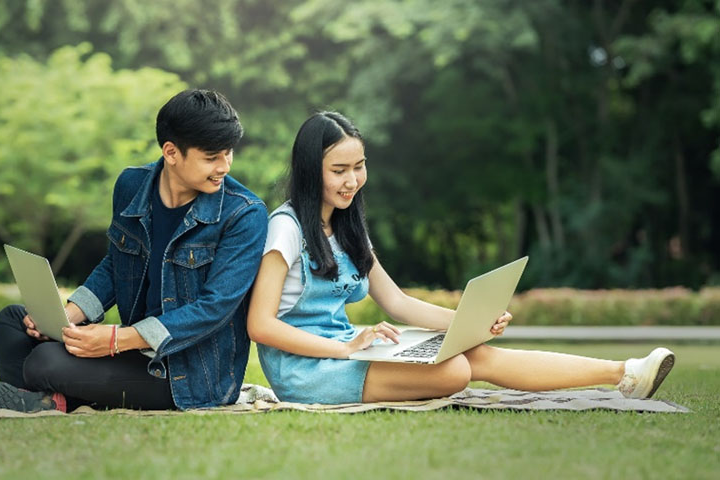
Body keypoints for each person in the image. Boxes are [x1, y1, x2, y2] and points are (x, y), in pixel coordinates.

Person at [247, 111, 675, 405]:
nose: (353, 180)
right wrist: (343, 349)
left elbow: (397, 302)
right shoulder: (286, 229)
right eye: (339, 170)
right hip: (306, 370)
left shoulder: (346, 227)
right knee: (455, 372)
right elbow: (260, 325)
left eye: (359, 166)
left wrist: (469, 323)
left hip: (348, 349)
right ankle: (623, 373)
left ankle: (625, 373)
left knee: (475, 353)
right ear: (311, 171)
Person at [0, 89, 268, 412]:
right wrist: (68, 316)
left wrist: (116, 340)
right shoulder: (131, 186)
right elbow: (115, 265)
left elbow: (213, 309)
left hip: (186, 372)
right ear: (171, 152)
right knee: (11, 322)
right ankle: (45, 399)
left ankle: (45, 394)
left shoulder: (244, 213)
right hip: (131, 350)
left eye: (228, 153)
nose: (224, 166)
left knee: (45, 361)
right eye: (211, 157)